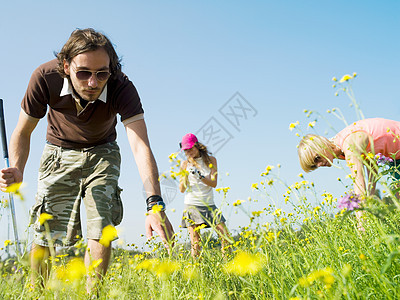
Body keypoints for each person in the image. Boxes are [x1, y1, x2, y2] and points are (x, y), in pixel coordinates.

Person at [0, 28, 174, 290]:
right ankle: (37, 293)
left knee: (101, 227)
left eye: (101, 73)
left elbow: (140, 145)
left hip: (102, 152)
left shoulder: (121, 87)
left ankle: (94, 295)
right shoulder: (45, 77)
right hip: (58, 151)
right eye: (83, 73)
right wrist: (17, 168)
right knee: (46, 231)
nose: (93, 83)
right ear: (66, 66)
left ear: (111, 70)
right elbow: (22, 132)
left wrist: (154, 204)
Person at [298, 117, 400, 215]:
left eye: (317, 158)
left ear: (321, 144)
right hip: (395, 158)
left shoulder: (349, 146)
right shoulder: (338, 151)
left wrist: (361, 223)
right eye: (314, 165)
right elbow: (372, 165)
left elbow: (359, 183)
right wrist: (369, 199)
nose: (319, 164)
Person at [178, 133, 231, 258]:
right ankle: (197, 272)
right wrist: (185, 174)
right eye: (186, 150)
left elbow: (213, 183)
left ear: (197, 146)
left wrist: (199, 176)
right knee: (196, 243)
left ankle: (228, 267)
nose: (189, 152)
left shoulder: (212, 161)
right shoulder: (184, 164)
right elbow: (182, 189)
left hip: (209, 204)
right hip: (192, 205)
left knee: (225, 236)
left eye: (190, 149)